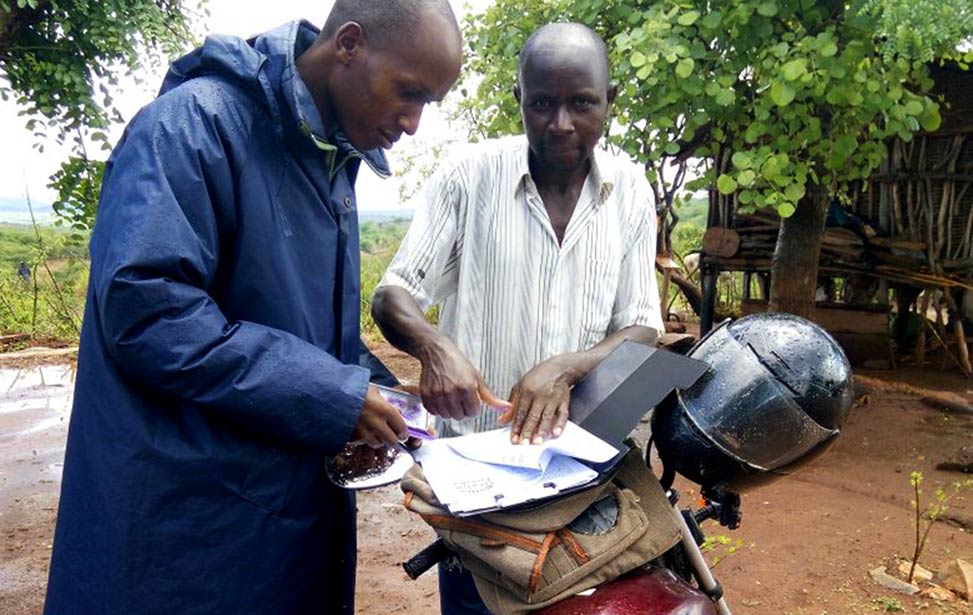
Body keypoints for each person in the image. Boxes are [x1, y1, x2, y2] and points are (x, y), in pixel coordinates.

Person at [43, 2, 462, 614]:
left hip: (286, 518)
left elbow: (306, 330)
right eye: (409, 92)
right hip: (187, 528)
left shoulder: (331, 158)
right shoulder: (191, 127)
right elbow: (148, 313)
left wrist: (388, 398)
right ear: (348, 44)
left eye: (430, 102)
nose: (415, 122)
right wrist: (336, 396)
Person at [372, 22, 664, 614]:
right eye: (542, 103)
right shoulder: (468, 176)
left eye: (582, 103)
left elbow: (643, 326)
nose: (561, 123)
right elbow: (392, 294)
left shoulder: (631, 189)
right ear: (518, 100)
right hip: (474, 491)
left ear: (610, 101)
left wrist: (568, 367)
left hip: (584, 481)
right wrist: (433, 346)